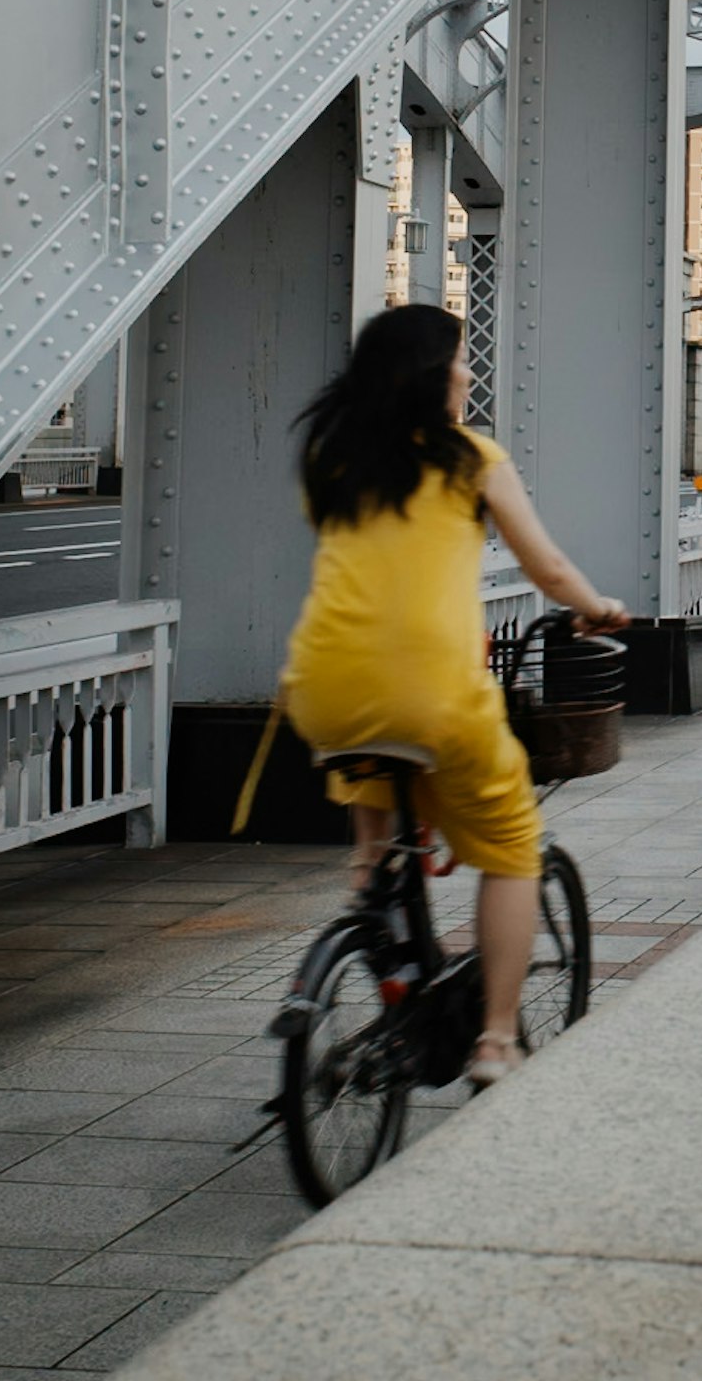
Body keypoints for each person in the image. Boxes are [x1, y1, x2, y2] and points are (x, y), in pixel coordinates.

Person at [279, 304, 626, 1089]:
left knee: (371, 771)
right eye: (459, 362)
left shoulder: (333, 458)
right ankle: (496, 1042)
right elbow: (548, 571)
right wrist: (598, 606)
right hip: (433, 692)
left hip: (323, 687)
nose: (468, 374)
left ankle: (375, 879)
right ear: (429, 378)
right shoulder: (473, 458)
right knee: (510, 850)